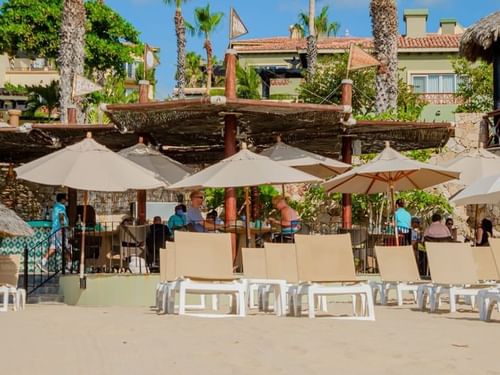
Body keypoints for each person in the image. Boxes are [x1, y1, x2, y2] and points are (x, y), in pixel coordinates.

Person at [39, 193, 70, 272]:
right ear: (62, 199)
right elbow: (61, 218)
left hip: (55, 230)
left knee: (53, 248)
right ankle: (69, 265)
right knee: (65, 247)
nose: (66, 200)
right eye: (65, 199)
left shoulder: (56, 206)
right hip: (60, 230)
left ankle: (43, 261)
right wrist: (64, 227)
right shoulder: (60, 207)